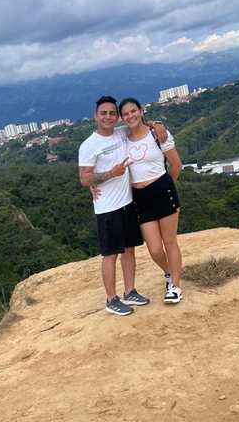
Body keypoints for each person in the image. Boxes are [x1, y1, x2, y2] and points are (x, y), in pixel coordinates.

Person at [78, 95, 152, 316]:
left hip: (127, 203)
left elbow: (141, 124)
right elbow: (84, 178)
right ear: (95, 116)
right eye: (104, 113)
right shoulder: (89, 145)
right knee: (110, 255)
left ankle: (130, 291)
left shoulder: (121, 133)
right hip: (107, 208)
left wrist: (158, 125)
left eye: (112, 113)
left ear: (117, 117)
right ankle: (111, 299)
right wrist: (110, 173)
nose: (108, 117)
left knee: (129, 250)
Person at [118, 97, 184, 303]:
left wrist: (167, 186)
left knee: (170, 241)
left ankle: (175, 286)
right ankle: (169, 272)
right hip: (140, 197)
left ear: (141, 110)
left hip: (162, 190)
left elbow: (176, 165)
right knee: (154, 249)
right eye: (125, 113)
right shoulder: (122, 138)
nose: (130, 116)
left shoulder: (157, 134)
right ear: (122, 118)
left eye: (133, 111)